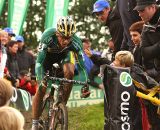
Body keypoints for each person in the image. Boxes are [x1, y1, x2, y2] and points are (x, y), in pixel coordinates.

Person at [31, 16, 90, 130]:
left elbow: (82, 66)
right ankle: (35, 123)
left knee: (70, 73)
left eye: (69, 38)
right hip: (46, 59)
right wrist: (40, 79)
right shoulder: (48, 36)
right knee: (41, 89)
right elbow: (39, 62)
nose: (66, 41)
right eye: (63, 37)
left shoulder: (76, 42)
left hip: (63, 58)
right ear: (57, 33)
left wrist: (86, 83)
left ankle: (61, 104)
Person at [85, 49, 148, 130]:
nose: (113, 62)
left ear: (123, 65)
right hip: (112, 115)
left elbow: (148, 86)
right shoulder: (116, 69)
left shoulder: (134, 76)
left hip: (130, 114)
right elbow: (105, 61)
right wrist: (92, 56)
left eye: (116, 60)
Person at [134, 0, 160, 129]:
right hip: (157, 74)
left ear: (152, 7)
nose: (139, 13)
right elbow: (145, 52)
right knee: (155, 119)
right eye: (138, 11)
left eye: (142, 10)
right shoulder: (146, 28)